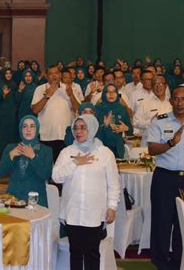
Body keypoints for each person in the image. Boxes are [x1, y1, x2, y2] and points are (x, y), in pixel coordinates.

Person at [52, 114, 120, 270]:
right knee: (75, 253)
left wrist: (112, 207)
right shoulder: (67, 152)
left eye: (83, 128)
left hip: (95, 213)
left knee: (92, 254)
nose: (78, 131)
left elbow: (113, 184)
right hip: (72, 212)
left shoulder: (105, 153)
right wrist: (75, 162)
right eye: (75, 128)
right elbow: (56, 177)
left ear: (93, 128)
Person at [148, 86, 184, 270]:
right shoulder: (160, 122)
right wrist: (170, 143)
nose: (180, 102)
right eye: (176, 98)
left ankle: (179, 260)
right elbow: (151, 149)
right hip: (164, 178)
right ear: (170, 101)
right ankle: (161, 263)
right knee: (161, 220)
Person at [0, 115, 53, 206]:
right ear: (20, 129)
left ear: (37, 129)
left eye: (32, 126)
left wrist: (33, 156)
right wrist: (11, 156)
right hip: (13, 200)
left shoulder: (46, 150)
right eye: (25, 126)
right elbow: (0, 172)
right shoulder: (11, 148)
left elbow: (45, 175)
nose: (28, 129)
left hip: (36, 201)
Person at [32, 65, 80, 162]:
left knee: (64, 166)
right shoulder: (40, 89)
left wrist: (71, 95)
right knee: (47, 168)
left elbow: (79, 110)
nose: (54, 76)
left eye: (56, 73)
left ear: (60, 75)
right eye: (51, 74)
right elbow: (35, 110)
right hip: (46, 136)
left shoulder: (68, 89)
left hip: (65, 136)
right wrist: (47, 96)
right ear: (46, 76)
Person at [95, 84, 133, 158]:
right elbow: (93, 132)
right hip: (101, 147)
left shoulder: (121, 109)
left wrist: (126, 128)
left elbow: (131, 130)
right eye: (108, 92)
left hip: (118, 148)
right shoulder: (97, 109)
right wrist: (104, 125)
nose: (111, 94)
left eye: (114, 92)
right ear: (103, 94)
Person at [133, 75, 172, 146]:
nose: (158, 87)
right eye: (155, 84)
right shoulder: (145, 103)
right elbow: (135, 122)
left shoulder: (172, 102)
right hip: (149, 144)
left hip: (169, 144)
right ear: (152, 87)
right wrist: (150, 122)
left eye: (160, 84)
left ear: (166, 86)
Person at [0, 68, 18, 153]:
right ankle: (3, 156)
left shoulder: (13, 84)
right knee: (4, 137)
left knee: (12, 136)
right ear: (3, 75)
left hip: (12, 113)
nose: (8, 75)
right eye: (6, 73)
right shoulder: (1, 84)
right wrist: (4, 95)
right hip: (4, 113)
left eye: (10, 73)